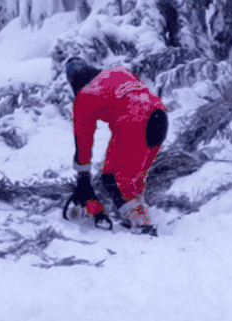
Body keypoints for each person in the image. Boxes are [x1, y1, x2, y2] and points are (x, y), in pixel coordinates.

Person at [63, 56, 167, 234]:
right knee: (133, 177)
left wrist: (83, 177)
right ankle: (134, 213)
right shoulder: (117, 72)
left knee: (114, 178)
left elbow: (83, 141)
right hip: (160, 117)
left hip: (134, 123)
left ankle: (142, 225)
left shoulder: (84, 95)